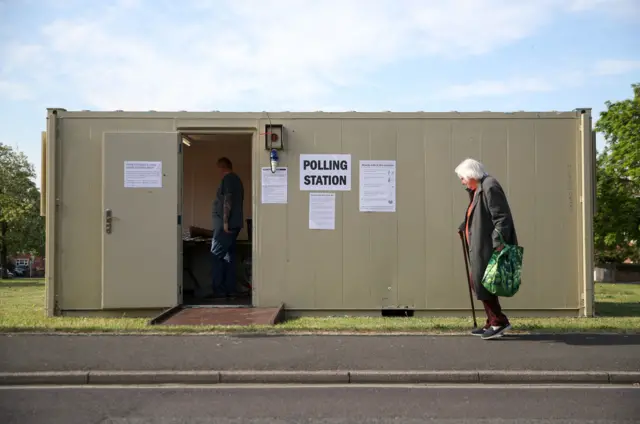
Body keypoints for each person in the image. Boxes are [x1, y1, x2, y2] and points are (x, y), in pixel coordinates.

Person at [455, 158, 518, 340]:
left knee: (484, 283)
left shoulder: (490, 186)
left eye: (463, 178)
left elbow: (501, 217)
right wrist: (463, 226)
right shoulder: (478, 189)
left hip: (488, 246)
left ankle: (499, 322)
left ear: (471, 174)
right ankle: (492, 321)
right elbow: (476, 215)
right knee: (480, 282)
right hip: (479, 245)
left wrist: (498, 243)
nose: (462, 182)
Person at [210, 157, 244, 298]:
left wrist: (225, 222)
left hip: (226, 227)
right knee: (228, 257)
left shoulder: (228, 179)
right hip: (234, 225)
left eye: (218, 169)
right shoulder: (236, 180)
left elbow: (227, 199)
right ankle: (230, 289)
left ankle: (219, 290)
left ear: (222, 168)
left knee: (216, 254)